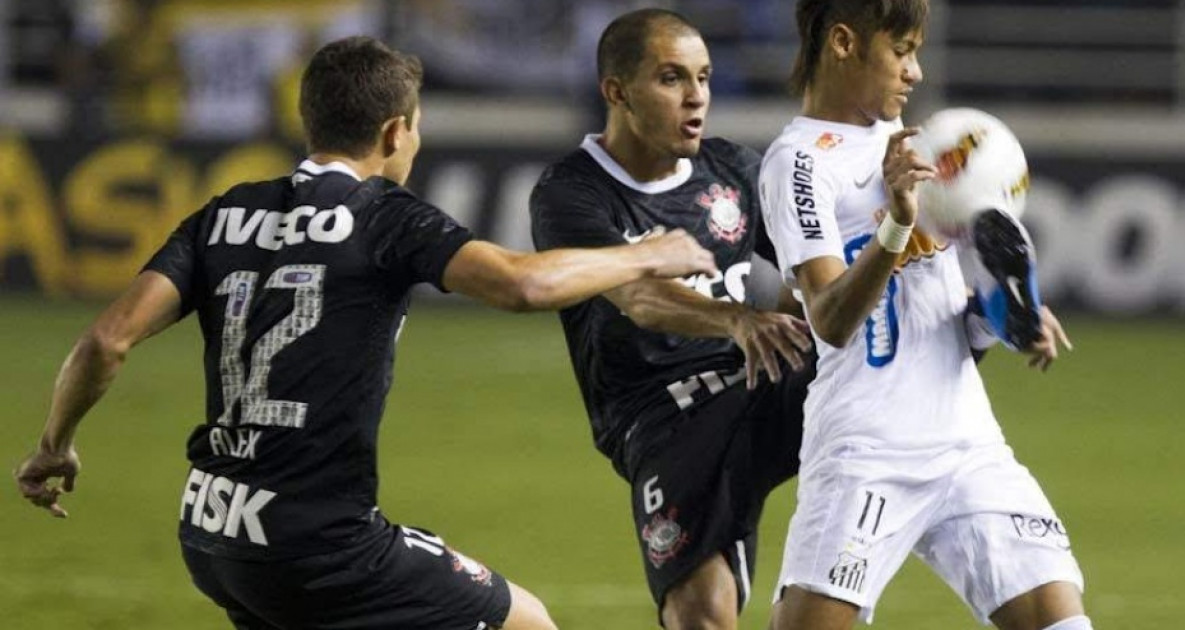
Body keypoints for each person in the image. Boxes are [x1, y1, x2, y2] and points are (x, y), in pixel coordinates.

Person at [13, 35, 720, 630]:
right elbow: (522, 283)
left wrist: (54, 445)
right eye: (415, 126)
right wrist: (642, 254)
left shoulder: (225, 212)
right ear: (394, 132)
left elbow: (105, 341)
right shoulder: (385, 215)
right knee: (528, 623)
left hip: (213, 529)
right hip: (318, 543)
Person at [759, 1, 1091, 629]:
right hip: (866, 450)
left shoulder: (923, 147)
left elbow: (950, 321)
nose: (914, 72)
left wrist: (1006, 316)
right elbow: (829, 318)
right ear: (842, 42)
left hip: (966, 445)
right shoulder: (797, 163)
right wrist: (898, 222)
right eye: (901, 50)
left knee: (1061, 620)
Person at [530, 9, 814, 630]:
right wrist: (737, 320)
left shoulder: (736, 169)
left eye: (704, 78)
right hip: (665, 422)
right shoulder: (571, 192)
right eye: (671, 78)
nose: (697, 97)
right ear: (616, 91)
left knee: (888, 370)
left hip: (759, 384)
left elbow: (809, 274)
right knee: (701, 614)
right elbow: (637, 295)